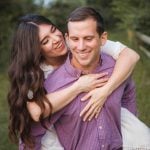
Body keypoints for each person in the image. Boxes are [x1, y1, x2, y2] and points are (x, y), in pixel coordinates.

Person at [7, 12, 141, 150]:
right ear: (35, 50)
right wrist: (78, 86)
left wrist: (105, 91)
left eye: (53, 30)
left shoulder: (78, 42)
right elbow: (35, 112)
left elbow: (131, 55)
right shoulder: (37, 74)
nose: (56, 39)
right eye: (45, 41)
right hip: (56, 131)